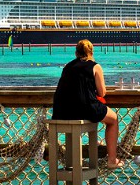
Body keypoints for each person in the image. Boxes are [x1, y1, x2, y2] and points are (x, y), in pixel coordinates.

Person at [53, 39, 124, 169]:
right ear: (91, 52)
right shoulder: (95, 66)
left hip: (62, 112)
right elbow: (102, 93)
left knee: (85, 116)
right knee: (113, 120)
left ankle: (73, 163)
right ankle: (112, 159)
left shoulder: (67, 67)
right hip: (85, 109)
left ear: (76, 53)